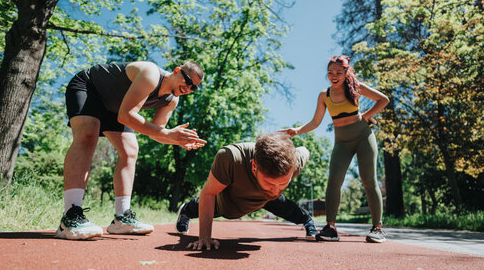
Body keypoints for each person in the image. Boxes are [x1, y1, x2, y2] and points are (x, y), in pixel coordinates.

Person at [56, 61, 207, 240]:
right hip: (90, 88)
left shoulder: (172, 100)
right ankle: (70, 217)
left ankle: (121, 219)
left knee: (130, 150)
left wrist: (175, 140)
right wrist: (167, 134)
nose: (188, 88)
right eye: (188, 81)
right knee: (88, 136)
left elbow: (156, 132)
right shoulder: (151, 74)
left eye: (194, 88)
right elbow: (126, 116)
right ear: (176, 71)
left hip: (116, 107)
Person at [279, 55, 389, 243]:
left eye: (338, 72)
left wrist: (365, 115)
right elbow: (315, 121)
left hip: (363, 137)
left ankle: (377, 228)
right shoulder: (325, 95)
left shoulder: (357, 87)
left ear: (346, 73)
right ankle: (330, 228)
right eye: (330, 72)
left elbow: (383, 100)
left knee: (368, 180)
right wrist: (297, 130)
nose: (334, 75)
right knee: (334, 181)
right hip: (342, 143)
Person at [175, 133, 319, 250]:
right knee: (220, 207)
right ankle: (186, 210)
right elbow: (208, 193)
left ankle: (307, 221)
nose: (276, 189)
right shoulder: (231, 157)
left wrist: (294, 135)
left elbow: (305, 151)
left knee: (280, 201)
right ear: (254, 166)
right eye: (269, 183)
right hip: (230, 199)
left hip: (264, 200)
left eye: (282, 184)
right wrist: (204, 237)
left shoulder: (292, 162)